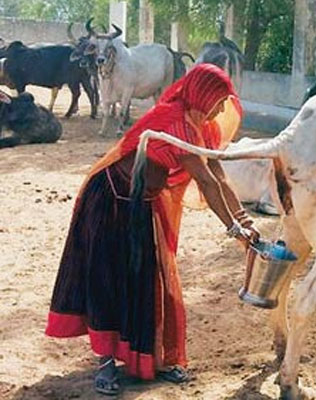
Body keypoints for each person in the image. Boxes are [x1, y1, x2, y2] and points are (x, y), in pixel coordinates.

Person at [45, 64, 259, 395]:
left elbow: (219, 177)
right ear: (202, 95)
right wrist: (232, 230)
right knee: (108, 278)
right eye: (218, 101)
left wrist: (245, 221)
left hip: (141, 202)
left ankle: (151, 360)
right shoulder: (174, 122)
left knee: (145, 280)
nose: (220, 110)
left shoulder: (201, 127)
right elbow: (204, 181)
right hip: (109, 199)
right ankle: (105, 364)